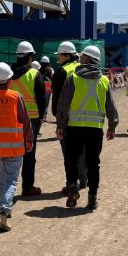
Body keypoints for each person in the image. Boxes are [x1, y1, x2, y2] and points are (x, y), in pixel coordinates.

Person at [55, 46, 118, 211]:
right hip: (95, 129)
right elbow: (110, 106)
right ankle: (92, 197)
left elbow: (63, 103)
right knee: (93, 163)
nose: (80, 58)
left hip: (74, 128)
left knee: (71, 160)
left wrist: (60, 125)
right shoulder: (104, 80)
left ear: (87, 59)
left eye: (82, 56)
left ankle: (73, 190)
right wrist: (112, 125)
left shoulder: (73, 78)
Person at [0, 62, 35, 231]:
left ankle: (5, 208)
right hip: (14, 145)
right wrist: (29, 140)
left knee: (2, 179)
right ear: (10, 80)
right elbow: (25, 120)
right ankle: (3, 210)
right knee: (11, 180)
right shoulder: (15, 96)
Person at [10, 41, 47, 197]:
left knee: (10, 153)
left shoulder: (8, 73)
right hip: (31, 120)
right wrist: (40, 118)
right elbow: (41, 99)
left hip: (10, 118)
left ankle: (7, 187)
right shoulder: (34, 74)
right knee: (29, 154)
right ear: (30, 56)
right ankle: (27, 186)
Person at [50, 41, 86, 192]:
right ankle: (84, 180)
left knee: (69, 154)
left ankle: (72, 183)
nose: (57, 59)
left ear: (66, 55)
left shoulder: (61, 72)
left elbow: (57, 99)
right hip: (84, 117)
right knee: (82, 151)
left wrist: (57, 118)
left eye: (58, 56)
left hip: (67, 119)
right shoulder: (82, 68)